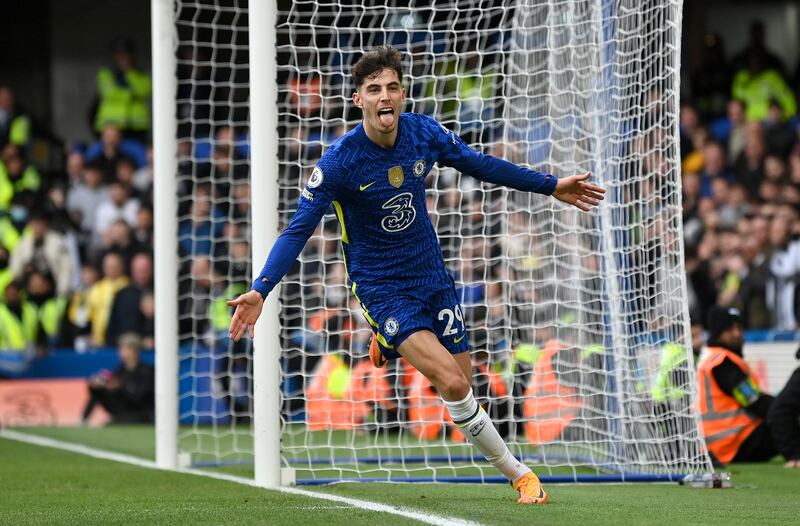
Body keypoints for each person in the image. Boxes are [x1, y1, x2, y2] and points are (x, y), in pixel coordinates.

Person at [228, 46, 605, 504]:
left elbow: (482, 165)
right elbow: (297, 230)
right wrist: (260, 290)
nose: (384, 97)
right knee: (453, 383)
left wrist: (550, 185)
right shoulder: (339, 163)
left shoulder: (422, 133)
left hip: (432, 277)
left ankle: (390, 343)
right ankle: (521, 474)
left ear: (402, 94)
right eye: (373, 90)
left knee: (463, 385)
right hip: (382, 288)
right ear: (357, 100)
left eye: (391, 87)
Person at [697, 305, 778, 464]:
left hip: (715, 442)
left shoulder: (709, 357)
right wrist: (786, 407)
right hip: (734, 441)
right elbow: (754, 401)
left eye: (740, 328)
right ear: (718, 332)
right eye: (730, 329)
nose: (737, 334)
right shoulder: (722, 363)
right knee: (784, 422)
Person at [82, 332, 154, 423]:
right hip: (120, 409)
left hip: (138, 412)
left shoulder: (146, 370)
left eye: (123, 348)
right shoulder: (120, 369)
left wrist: (121, 386)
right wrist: (100, 385)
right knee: (97, 389)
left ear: (134, 350)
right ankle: (83, 419)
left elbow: (140, 396)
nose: (120, 352)